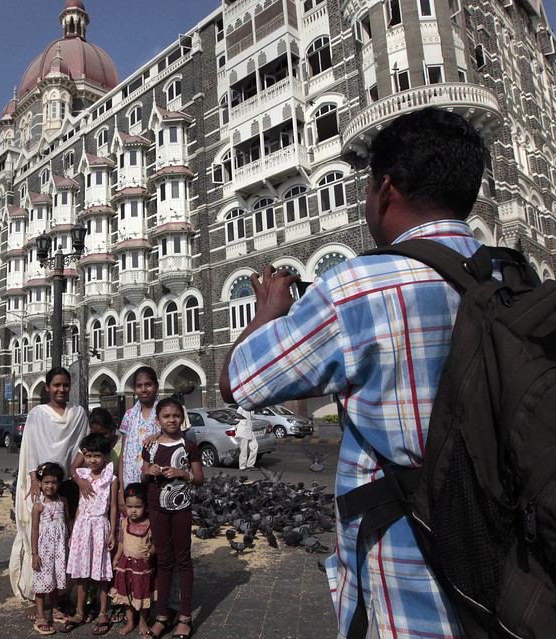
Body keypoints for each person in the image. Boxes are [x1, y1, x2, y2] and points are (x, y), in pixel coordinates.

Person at [219, 107, 488, 639]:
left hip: (411, 598)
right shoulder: (511, 276)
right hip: (513, 583)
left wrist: (270, 310)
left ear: (385, 188)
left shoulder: (361, 286)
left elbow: (238, 382)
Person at [10, 366, 90, 606]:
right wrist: (34, 480)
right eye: (56, 385)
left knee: (65, 537)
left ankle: (61, 593)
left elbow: (82, 447)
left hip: (66, 484)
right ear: (47, 388)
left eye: (65, 385)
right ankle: (38, 595)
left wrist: (74, 474)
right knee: (38, 537)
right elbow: (31, 448)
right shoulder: (37, 414)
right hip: (42, 484)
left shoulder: (78, 413)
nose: (61, 389)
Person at [141, 398, 204, 639]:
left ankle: (185, 617)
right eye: (166, 416)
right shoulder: (151, 446)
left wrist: (182, 473)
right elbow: (143, 476)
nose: (171, 420)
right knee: (164, 561)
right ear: (158, 420)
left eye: (176, 415)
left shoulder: (189, 446)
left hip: (181, 510)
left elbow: (199, 478)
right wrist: (150, 471)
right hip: (157, 509)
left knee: (183, 560)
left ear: (182, 418)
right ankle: (162, 616)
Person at [64, 433, 118, 635]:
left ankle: (103, 612)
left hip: (100, 527)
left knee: (102, 573)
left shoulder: (111, 479)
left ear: (105, 456)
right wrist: (73, 531)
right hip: (82, 528)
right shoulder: (83, 477)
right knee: (81, 573)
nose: (93, 460)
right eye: (89, 456)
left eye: (97, 456)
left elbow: (113, 507)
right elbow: (80, 505)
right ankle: (79, 611)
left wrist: (112, 532)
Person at [110, 482, 155, 637]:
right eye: (130, 507)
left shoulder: (149, 525)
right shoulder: (125, 523)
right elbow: (122, 542)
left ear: (146, 507)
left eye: (137, 507)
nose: (133, 511)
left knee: (142, 594)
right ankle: (130, 622)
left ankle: (143, 620)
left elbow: (155, 543)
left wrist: (151, 552)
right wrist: (116, 558)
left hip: (142, 567)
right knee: (126, 595)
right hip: (125, 565)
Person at [30, 462, 70, 636]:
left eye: (53, 482)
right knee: (41, 584)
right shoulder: (38, 506)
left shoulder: (63, 501)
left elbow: (67, 522)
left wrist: (71, 541)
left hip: (59, 550)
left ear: (59, 483)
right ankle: (40, 616)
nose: (50, 486)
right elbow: (34, 530)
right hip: (44, 551)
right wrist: (34, 554)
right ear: (39, 484)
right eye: (46, 482)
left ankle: (55, 611)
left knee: (54, 580)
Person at [118, 367, 160, 510]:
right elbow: (123, 453)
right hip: (131, 483)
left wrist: (160, 436)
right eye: (139, 386)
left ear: (156, 386)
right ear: (135, 389)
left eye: (148, 384)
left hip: (157, 482)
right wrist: (120, 489)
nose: (144, 389)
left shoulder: (165, 412)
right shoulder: (129, 415)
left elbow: (178, 441)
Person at [233, 403, 258, 471]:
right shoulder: (241, 408)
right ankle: (242, 466)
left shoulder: (251, 409)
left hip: (249, 430)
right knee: (243, 449)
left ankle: (250, 464)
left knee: (255, 446)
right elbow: (236, 418)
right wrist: (237, 430)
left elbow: (250, 419)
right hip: (243, 430)